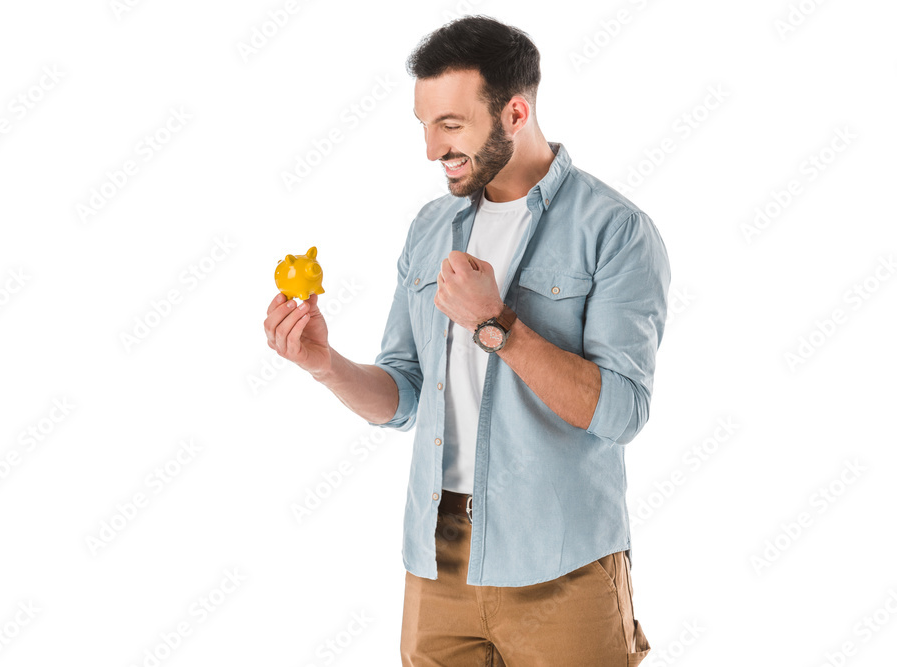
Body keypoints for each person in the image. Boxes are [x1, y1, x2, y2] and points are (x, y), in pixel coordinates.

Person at [263, 14, 669, 667]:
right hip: (438, 557)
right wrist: (325, 364)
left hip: (561, 563)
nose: (431, 149)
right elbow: (404, 396)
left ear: (515, 112)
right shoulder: (431, 226)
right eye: (424, 125)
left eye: (450, 125)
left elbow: (620, 412)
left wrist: (497, 323)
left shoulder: (616, 231)